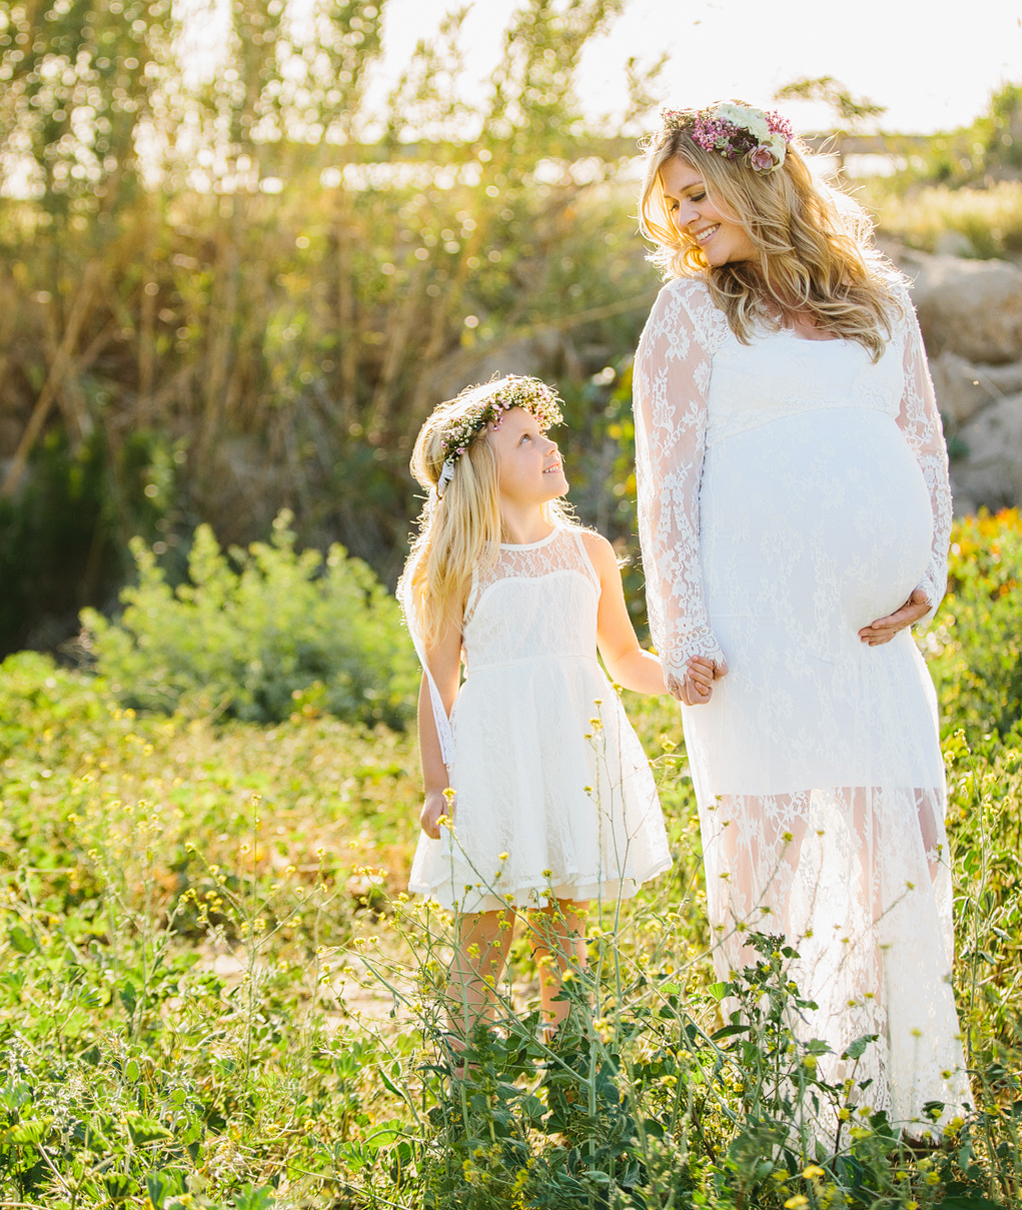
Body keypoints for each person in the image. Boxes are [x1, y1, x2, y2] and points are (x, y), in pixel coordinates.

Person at [631, 101, 970, 1131]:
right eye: (672, 204)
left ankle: (908, 1097)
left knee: (899, 842)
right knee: (766, 863)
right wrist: (683, 628)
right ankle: (786, 1114)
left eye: (698, 194)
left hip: (870, 638)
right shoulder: (689, 316)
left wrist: (925, 565)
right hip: (752, 631)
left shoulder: (881, 301)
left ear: (763, 177)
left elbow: (921, 442)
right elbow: (665, 484)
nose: (685, 219)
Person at [400, 374, 694, 1037]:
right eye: (526, 440)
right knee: (486, 929)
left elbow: (623, 658)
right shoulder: (460, 565)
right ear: (480, 468)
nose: (549, 447)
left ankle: (571, 1076)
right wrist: (438, 785)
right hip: (494, 760)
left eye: (546, 433)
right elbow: (438, 683)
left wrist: (681, 679)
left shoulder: (588, 552)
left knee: (566, 926)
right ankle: (467, 1082)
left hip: (572, 754)